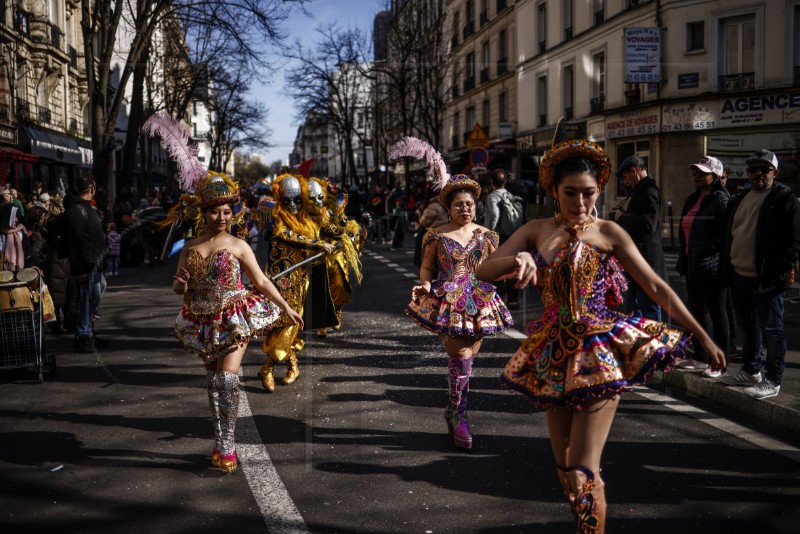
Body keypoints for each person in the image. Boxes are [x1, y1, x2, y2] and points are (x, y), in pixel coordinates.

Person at [474, 139, 725, 533]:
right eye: (570, 193)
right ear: (554, 191)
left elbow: (656, 286)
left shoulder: (608, 231)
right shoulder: (537, 231)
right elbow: (484, 271)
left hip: (600, 353)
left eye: (588, 193)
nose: (580, 202)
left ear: (599, 190)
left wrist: (701, 336)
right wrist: (519, 258)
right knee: (563, 470)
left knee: (582, 471)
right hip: (554, 354)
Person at [173, 172, 303, 473]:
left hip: (233, 316)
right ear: (204, 213)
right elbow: (180, 288)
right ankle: (219, 441)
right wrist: (180, 283)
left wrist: (286, 307)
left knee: (227, 379)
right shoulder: (191, 247)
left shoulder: (239, 245)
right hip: (201, 318)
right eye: (215, 211)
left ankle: (228, 445)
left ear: (233, 214)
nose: (221, 217)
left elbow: (260, 280)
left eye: (226, 212)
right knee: (213, 384)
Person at [389, 137, 513, 450]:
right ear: (449, 207)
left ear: (476, 205)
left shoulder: (488, 236)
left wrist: (517, 269)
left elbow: (496, 267)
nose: (465, 208)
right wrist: (426, 285)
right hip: (450, 301)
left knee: (469, 357)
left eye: (470, 204)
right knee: (460, 357)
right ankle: (460, 415)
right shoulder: (436, 235)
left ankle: (453, 406)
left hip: (481, 302)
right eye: (459, 204)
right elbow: (427, 269)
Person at [718, 149, 800, 399]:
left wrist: (780, 271)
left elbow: (793, 241)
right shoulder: (739, 199)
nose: (758, 174)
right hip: (739, 275)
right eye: (753, 169)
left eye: (764, 169)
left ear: (775, 172)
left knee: (772, 330)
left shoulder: (785, 199)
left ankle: (773, 379)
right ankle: (750, 370)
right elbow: (729, 236)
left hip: (767, 278)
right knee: (748, 326)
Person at [256, 174, 336, 392]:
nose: (292, 205)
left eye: (297, 200)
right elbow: (285, 235)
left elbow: (329, 229)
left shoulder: (306, 217)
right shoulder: (274, 216)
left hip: (301, 280)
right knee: (280, 325)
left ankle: (276, 368)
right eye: (287, 200)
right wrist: (316, 243)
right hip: (277, 280)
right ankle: (278, 367)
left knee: (290, 324)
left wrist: (343, 234)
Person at [676, 156, 730, 377]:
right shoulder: (692, 198)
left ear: (715, 176)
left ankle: (720, 360)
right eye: (695, 173)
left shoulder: (721, 199)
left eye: (702, 173)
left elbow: (726, 234)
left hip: (712, 267)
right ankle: (700, 356)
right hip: (692, 265)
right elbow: (684, 230)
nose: (697, 176)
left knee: (717, 313)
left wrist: (709, 248)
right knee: (696, 312)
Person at [608, 155, 666, 321]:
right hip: (637, 261)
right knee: (634, 309)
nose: (625, 182)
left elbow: (649, 225)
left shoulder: (649, 192)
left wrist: (622, 217)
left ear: (634, 171)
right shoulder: (642, 191)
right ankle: (640, 343)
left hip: (646, 262)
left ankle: (654, 345)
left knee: (649, 311)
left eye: (626, 177)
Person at [64, 175, 106, 353]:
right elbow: (75, 241)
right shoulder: (76, 210)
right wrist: (79, 269)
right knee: (88, 300)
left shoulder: (86, 208)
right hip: (86, 265)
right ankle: (83, 335)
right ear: (92, 188)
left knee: (94, 296)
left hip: (94, 263)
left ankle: (87, 331)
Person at [483, 169, 521, 307]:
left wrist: (488, 232)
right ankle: (513, 298)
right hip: (512, 234)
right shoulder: (510, 195)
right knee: (511, 266)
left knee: (497, 266)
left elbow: (494, 214)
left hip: (498, 236)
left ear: (492, 182)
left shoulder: (493, 196)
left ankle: (499, 296)